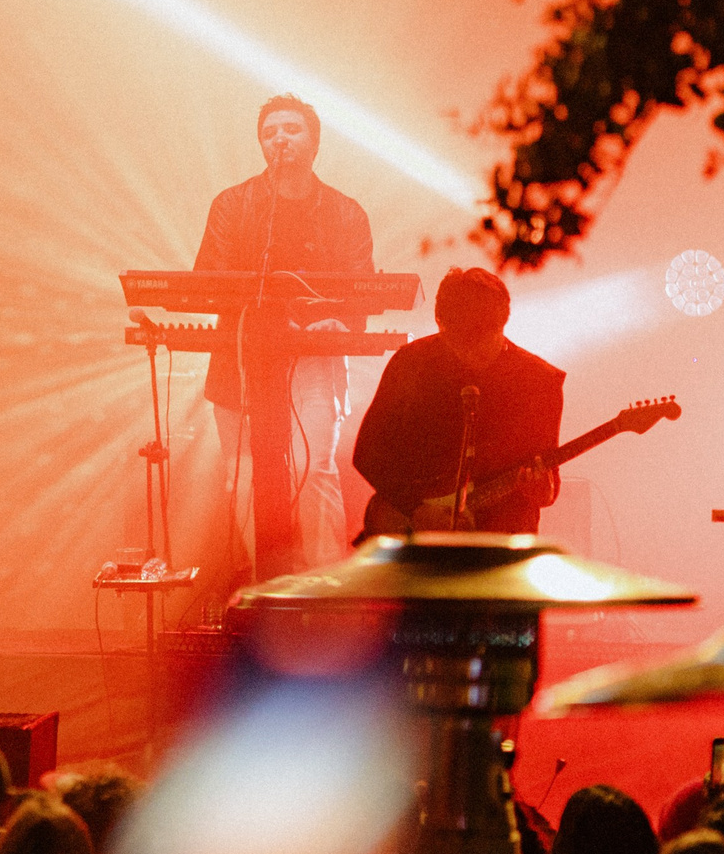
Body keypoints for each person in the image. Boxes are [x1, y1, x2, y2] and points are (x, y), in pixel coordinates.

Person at [194, 94, 376, 574]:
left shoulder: (345, 212)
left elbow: (364, 291)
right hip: (240, 356)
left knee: (313, 470)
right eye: (270, 131)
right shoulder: (232, 205)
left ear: (314, 142)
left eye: (291, 129)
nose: (280, 138)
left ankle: (323, 589)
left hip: (313, 361)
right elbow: (205, 283)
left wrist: (339, 322)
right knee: (243, 477)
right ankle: (268, 586)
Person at [353, 267, 563, 535]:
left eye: (481, 339)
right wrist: (415, 509)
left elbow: (548, 487)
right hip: (416, 541)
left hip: (500, 545)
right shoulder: (411, 363)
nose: (470, 352)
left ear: (503, 323)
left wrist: (540, 491)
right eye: (460, 341)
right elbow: (368, 452)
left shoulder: (539, 381)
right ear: (440, 324)